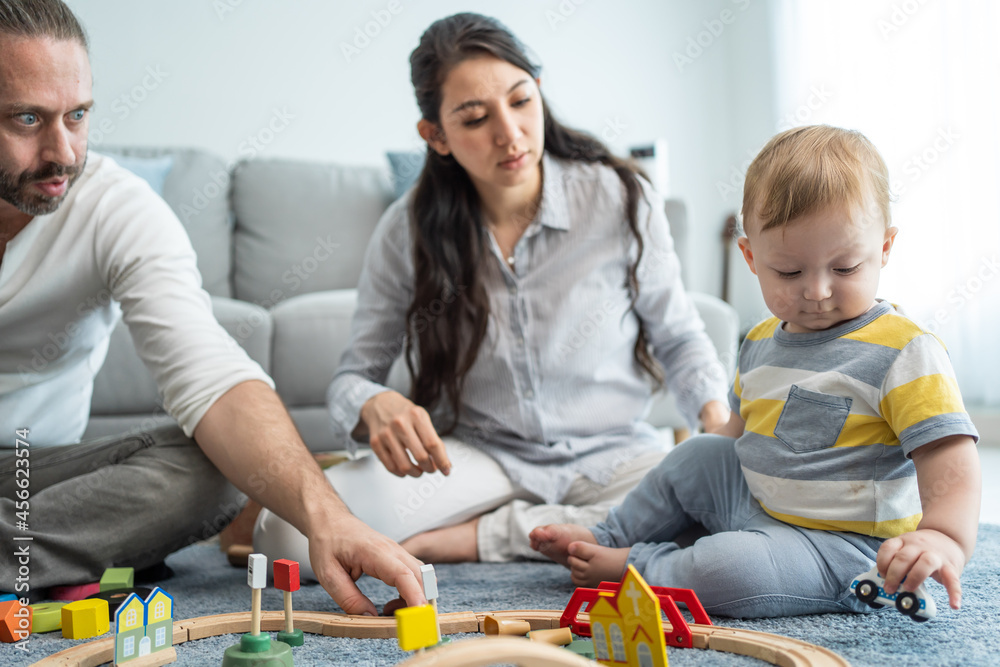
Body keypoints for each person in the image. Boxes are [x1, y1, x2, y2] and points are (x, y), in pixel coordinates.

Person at [254, 12, 730, 574]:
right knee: (286, 536)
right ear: (436, 136)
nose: (509, 134)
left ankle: (473, 536)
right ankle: (564, 526)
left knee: (722, 520)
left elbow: (678, 336)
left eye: (521, 101)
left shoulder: (621, 198)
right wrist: (370, 402)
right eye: (475, 118)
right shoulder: (406, 228)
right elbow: (352, 377)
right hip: (478, 459)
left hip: (616, 452)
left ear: (539, 93)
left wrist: (719, 433)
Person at [0, 0, 426, 615]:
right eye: (27, 119)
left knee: (213, 468)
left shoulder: (115, 207)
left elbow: (212, 375)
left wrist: (330, 518)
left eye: (78, 115)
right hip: (44, 513)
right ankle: (43, 563)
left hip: (40, 476)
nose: (62, 151)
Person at [530, 125, 982, 618]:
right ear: (751, 257)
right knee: (697, 454)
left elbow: (952, 464)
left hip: (841, 548)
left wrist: (942, 537)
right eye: (789, 272)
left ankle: (637, 566)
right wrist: (700, 467)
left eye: (846, 267)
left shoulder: (904, 352)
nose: (817, 291)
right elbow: (736, 432)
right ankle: (609, 534)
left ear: (885, 248)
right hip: (757, 505)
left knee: (730, 571)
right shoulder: (762, 339)